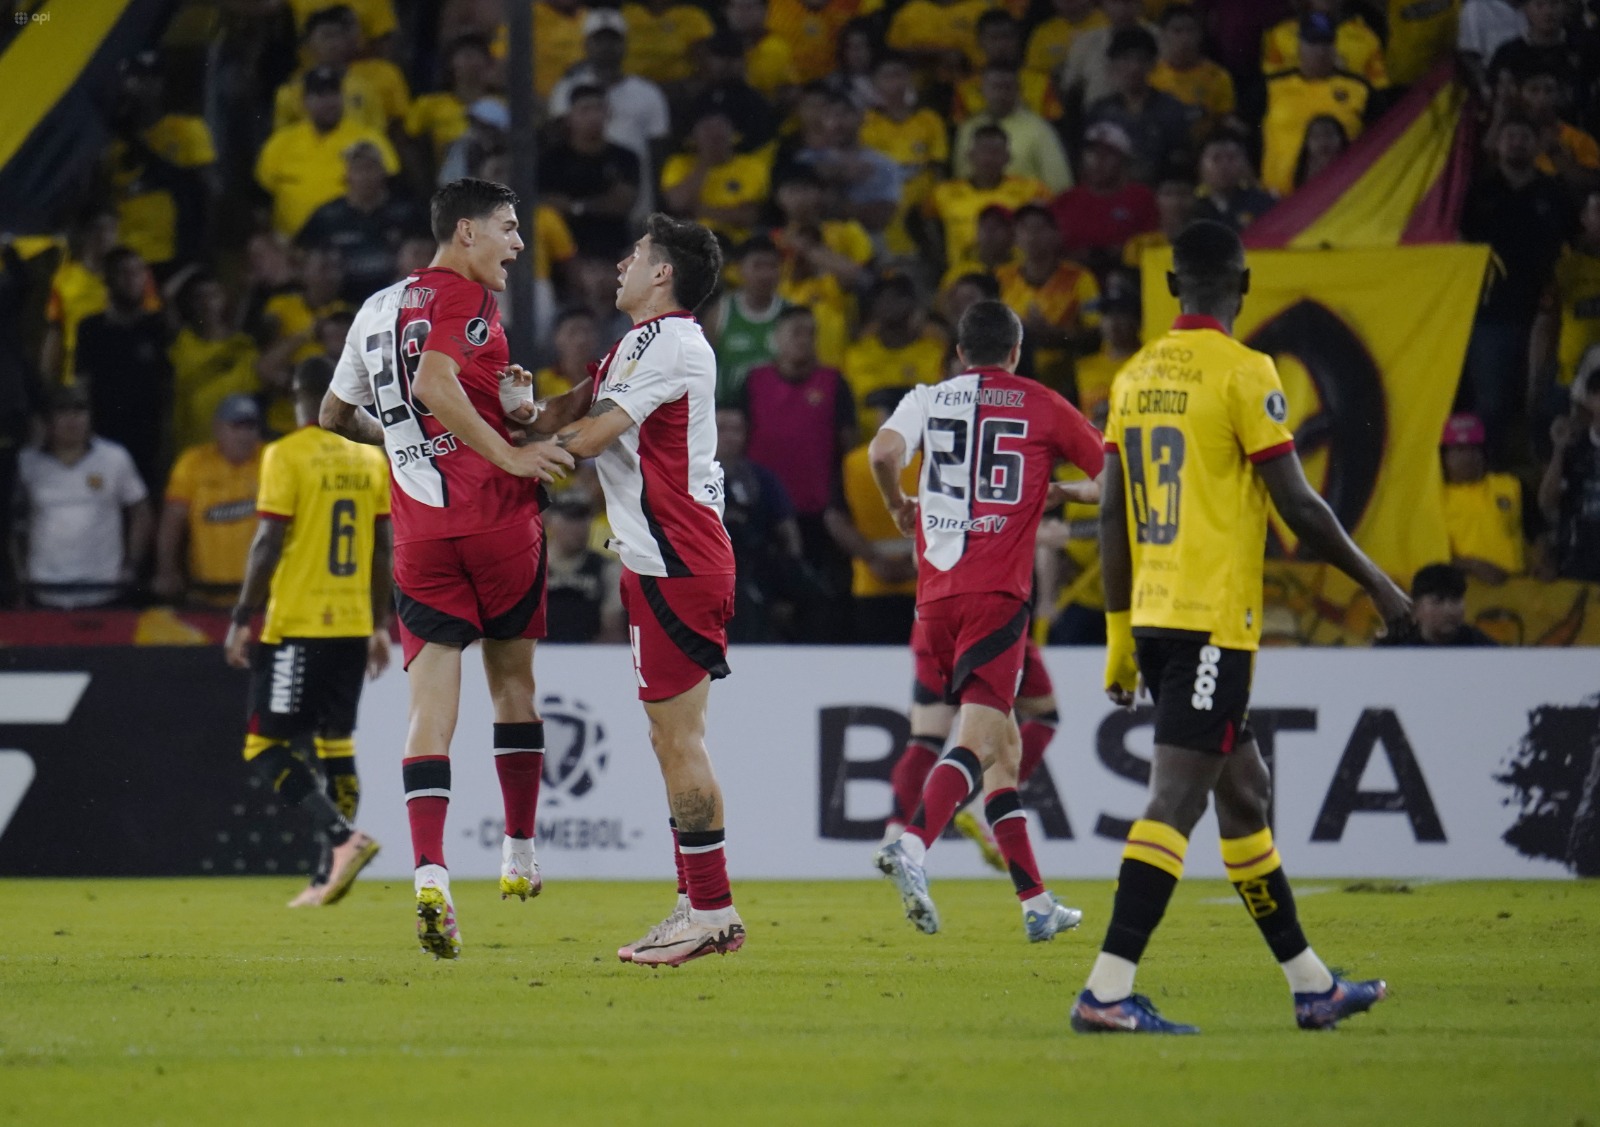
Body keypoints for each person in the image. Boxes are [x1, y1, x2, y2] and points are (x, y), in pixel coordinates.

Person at [1071, 219, 1410, 1035]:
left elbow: (1111, 513)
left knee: (1245, 792)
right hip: (1211, 621)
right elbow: (1298, 503)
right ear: (1245, 286)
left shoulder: (1133, 375)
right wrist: (1375, 581)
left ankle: (1313, 986)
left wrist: (1118, 634)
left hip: (1155, 615)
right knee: (1174, 801)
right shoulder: (1246, 371)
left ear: (1171, 286)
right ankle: (1106, 990)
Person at [319, 178, 585, 959]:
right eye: (509, 227)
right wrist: (510, 450)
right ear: (466, 231)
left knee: (428, 712)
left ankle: (430, 874)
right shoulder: (467, 297)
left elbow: (332, 415)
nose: (519, 244)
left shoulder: (374, 309)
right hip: (497, 522)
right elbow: (435, 381)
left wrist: (412, 439)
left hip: (420, 536)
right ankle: (520, 850)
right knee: (513, 687)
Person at [868, 299, 1105, 941]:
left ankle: (1036, 902)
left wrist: (897, 507)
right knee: (976, 742)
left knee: (1005, 748)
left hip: (934, 601)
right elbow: (1113, 481)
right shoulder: (1042, 404)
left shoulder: (927, 398)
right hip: (997, 595)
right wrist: (1065, 493)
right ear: (1016, 353)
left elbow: (882, 454)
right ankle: (912, 844)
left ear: (958, 354)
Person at [553, 213, 746, 968]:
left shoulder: (673, 343)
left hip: (678, 561)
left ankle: (712, 910)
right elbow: (567, 415)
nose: (620, 265)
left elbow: (586, 439)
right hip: (653, 560)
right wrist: (509, 410)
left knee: (680, 738)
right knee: (670, 738)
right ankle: (699, 906)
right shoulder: (634, 345)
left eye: (634, 255)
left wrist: (502, 454)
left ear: (662, 273)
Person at [223, 357, 391, 908]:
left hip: (298, 623)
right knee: (335, 742)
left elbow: (268, 542)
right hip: (353, 624)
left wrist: (241, 617)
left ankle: (342, 840)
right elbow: (382, 550)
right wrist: (380, 624)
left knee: (264, 746)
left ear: (298, 395)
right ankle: (327, 875)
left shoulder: (286, 454)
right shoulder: (369, 457)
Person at [15, 385, 152, 610]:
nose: (72, 419)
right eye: (63, 411)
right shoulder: (27, 462)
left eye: (79, 411)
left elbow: (140, 511)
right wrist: (20, 573)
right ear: (48, 420)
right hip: (44, 588)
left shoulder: (115, 458)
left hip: (104, 588)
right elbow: (15, 522)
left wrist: (131, 565)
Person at [255, 65, 401, 239]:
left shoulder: (369, 138)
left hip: (353, 239)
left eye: (334, 93)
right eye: (320, 95)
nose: (329, 102)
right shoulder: (281, 142)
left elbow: (393, 191)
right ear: (305, 102)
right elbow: (260, 198)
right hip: (289, 243)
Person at [74, 247, 173, 494]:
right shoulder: (91, 328)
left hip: (148, 439)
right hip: (103, 436)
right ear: (108, 278)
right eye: (124, 273)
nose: (132, 280)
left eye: (138, 272)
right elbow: (82, 383)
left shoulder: (158, 326)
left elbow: (169, 385)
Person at [826, 386, 920, 644]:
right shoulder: (936, 462)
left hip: (871, 581)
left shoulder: (854, 462)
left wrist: (874, 559)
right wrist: (913, 563)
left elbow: (835, 518)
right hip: (924, 581)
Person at [154, 395, 265, 607]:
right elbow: (172, 522)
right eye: (236, 427)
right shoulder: (193, 463)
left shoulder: (272, 459)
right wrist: (166, 570)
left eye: (251, 427)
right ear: (218, 429)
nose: (245, 435)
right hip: (205, 595)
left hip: (260, 596)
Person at [296, 140, 429, 303]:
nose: (365, 176)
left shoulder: (407, 211)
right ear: (347, 175)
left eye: (370, 168)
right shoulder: (327, 215)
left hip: (395, 296)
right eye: (358, 169)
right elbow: (301, 252)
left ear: (383, 172)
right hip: (341, 297)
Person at [1260, 14, 1370, 196]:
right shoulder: (1271, 86)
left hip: (1343, 195)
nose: (1320, 51)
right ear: (1299, 47)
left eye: (1326, 44)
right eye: (1313, 44)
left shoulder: (1360, 88)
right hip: (1279, 197)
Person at [540, 84, 643, 262]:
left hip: (614, 246)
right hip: (564, 250)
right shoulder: (550, 160)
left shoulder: (625, 158)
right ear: (569, 117)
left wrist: (575, 207)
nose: (593, 117)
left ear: (608, 113)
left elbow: (621, 203)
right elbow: (549, 204)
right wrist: (597, 204)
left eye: (598, 109)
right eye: (585, 110)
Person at [1086, 27, 1194, 187]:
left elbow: (1181, 162)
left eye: (1141, 59)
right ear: (1113, 64)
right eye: (1125, 59)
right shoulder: (1100, 112)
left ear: (1153, 65)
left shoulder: (1171, 109)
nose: (1134, 67)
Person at [1439, 412, 1525, 583]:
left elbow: (1537, 531)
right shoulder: (1434, 498)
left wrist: (1544, 557)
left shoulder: (1510, 485)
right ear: (1445, 456)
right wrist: (1473, 566)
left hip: (1519, 588)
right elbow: (1430, 553)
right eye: (1459, 449)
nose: (1467, 457)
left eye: (1474, 448)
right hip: (1466, 590)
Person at [707, 236, 789, 406]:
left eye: (772, 266)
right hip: (729, 411)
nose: (765, 274)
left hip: (776, 409)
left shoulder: (790, 313)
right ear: (740, 269)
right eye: (758, 266)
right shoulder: (720, 312)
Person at [1540, 368, 1600, 582]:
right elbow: (1547, 502)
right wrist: (1559, 449)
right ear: (1590, 399)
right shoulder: (1574, 448)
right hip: (1578, 559)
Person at [543, 498, 627, 643]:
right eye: (570, 518)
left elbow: (613, 628)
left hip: (589, 651)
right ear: (549, 521)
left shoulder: (607, 568)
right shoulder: (530, 568)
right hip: (539, 651)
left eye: (583, 518)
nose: (578, 527)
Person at [1375, 563, 1496, 647]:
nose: (1449, 610)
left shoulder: (1480, 646)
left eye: (1455, 600)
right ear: (1416, 607)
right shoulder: (1392, 648)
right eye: (1438, 601)